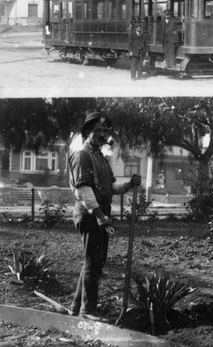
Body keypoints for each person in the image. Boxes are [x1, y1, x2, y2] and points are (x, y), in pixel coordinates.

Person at [68, 112, 141, 322]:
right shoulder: (82, 154)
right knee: (93, 261)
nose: (102, 134)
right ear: (88, 133)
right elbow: (82, 190)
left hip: (99, 213)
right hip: (89, 213)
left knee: (95, 261)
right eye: (97, 130)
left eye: (104, 131)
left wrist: (128, 185)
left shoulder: (99, 155)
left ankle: (76, 307)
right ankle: (87, 311)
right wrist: (100, 215)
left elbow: (109, 187)